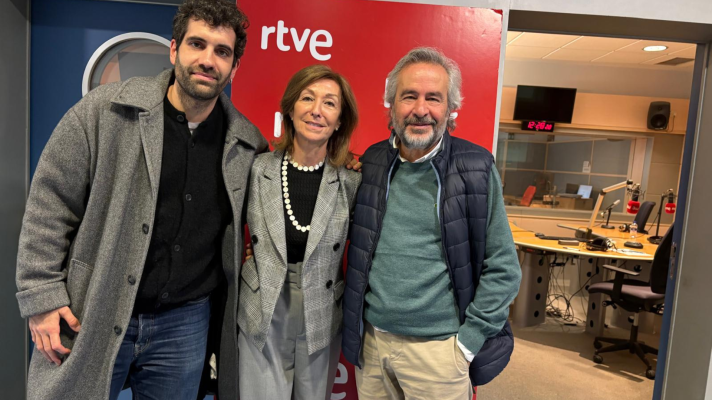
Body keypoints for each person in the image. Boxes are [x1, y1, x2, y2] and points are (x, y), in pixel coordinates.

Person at [14, 1, 268, 399]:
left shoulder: (247, 144)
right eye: (197, 44)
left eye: (222, 51)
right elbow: (50, 203)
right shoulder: (105, 111)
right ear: (174, 49)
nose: (207, 60)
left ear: (234, 67)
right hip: (93, 306)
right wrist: (41, 298)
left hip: (184, 325)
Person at [341, 47, 522, 399]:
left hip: (440, 354)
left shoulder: (476, 168)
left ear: (450, 107)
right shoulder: (373, 162)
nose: (421, 110)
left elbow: (504, 268)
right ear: (391, 104)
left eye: (433, 98)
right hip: (374, 345)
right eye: (409, 96)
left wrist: (466, 344)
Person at [236, 64, 361, 400]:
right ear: (290, 109)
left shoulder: (351, 180)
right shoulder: (256, 169)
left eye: (329, 103)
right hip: (262, 308)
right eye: (307, 98)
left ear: (340, 120)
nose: (316, 110)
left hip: (322, 312)